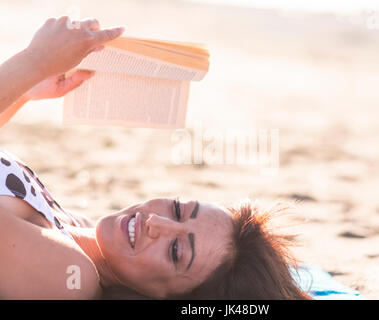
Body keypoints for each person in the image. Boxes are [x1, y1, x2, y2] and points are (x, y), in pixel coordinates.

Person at [0, 17, 310, 300]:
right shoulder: (76, 228)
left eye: (176, 251)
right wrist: (24, 93)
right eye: (177, 209)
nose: (156, 222)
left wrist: (32, 64)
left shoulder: (69, 277)